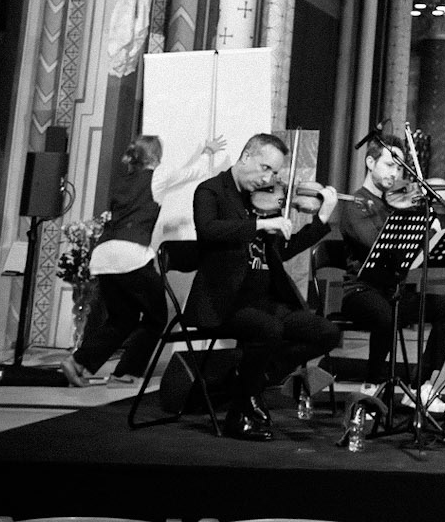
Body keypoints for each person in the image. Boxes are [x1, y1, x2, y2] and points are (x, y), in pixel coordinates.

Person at [186, 133, 342, 439]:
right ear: (246, 156)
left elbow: (280, 251)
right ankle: (237, 415)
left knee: (326, 333)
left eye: (274, 173)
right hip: (226, 301)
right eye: (265, 168)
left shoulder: (263, 201)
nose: (269, 178)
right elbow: (208, 231)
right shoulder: (211, 191)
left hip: (267, 301)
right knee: (268, 329)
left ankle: (249, 383)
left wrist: (321, 220)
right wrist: (259, 224)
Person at [58, 131, 224, 387]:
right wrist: (208, 152)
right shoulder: (155, 177)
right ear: (156, 156)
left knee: (121, 319)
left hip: (104, 255)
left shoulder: (125, 181)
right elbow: (190, 173)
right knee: (156, 318)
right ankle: (125, 373)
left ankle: (79, 362)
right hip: (131, 256)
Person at [335, 134, 445, 418]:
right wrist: (407, 219)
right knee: (384, 314)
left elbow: (421, 250)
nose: (395, 174)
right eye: (389, 165)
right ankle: (373, 384)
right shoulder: (356, 204)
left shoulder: (398, 204)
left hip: (392, 291)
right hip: (359, 291)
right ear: (370, 162)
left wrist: (441, 220)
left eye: (400, 169)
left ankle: (419, 386)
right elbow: (378, 245)